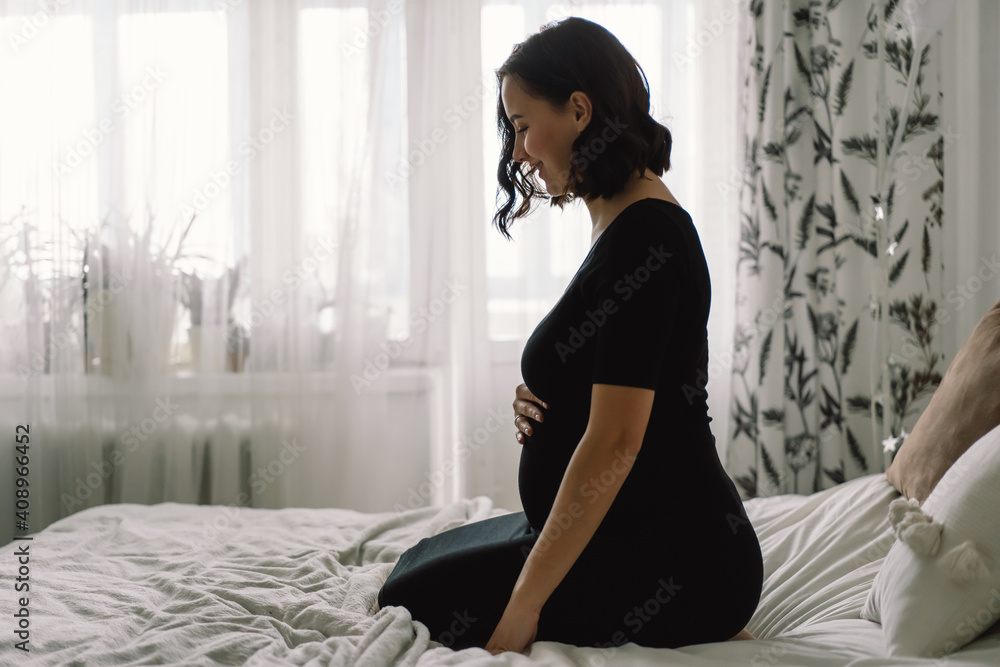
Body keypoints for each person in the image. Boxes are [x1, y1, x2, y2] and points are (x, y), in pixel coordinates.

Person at [377, 16, 763, 654]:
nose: (518, 152)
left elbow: (616, 443)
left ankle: (704, 614)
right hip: (627, 528)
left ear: (580, 110)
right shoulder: (623, 222)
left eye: (523, 125)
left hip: (672, 554)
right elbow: (624, 376)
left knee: (414, 601)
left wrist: (523, 610)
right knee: (414, 565)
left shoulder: (647, 238)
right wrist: (553, 395)